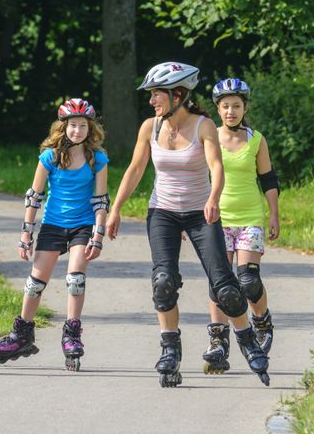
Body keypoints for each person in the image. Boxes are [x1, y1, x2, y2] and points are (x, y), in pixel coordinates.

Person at [106, 62, 270, 387]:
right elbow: (136, 170)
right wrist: (116, 209)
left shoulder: (204, 126)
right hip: (163, 213)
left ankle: (246, 338)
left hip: (200, 211)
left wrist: (214, 197)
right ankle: (170, 350)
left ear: (178, 94)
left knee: (225, 286)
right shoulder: (149, 128)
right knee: (163, 282)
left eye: (157, 94)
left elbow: (216, 167)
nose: (152, 100)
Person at [0, 98, 109, 372]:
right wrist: (26, 234)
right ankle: (22, 333)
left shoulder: (97, 159)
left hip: (83, 224)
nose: (77, 131)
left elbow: (101, 200)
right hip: (53, 223)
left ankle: (71, 334)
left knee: (75, 279)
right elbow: (34, 197)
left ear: (90, 129)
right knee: (35, 283)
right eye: (72, 125)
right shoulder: (50, 156)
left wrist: (97, 236)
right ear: (62, 127)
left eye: (82, 126)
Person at [202, 78, 280, 374]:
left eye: (236, 105)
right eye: (225, 106)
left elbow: (268, 179)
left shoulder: (256, 139)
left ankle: (261, 322)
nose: (231, 111)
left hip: (250, 217)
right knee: (219, 281)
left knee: (247, 280)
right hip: (216, 218)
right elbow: (197, 178)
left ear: (245, 107)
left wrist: (274, 214)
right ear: (218, 109)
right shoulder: (209, 137)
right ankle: (218, 340)